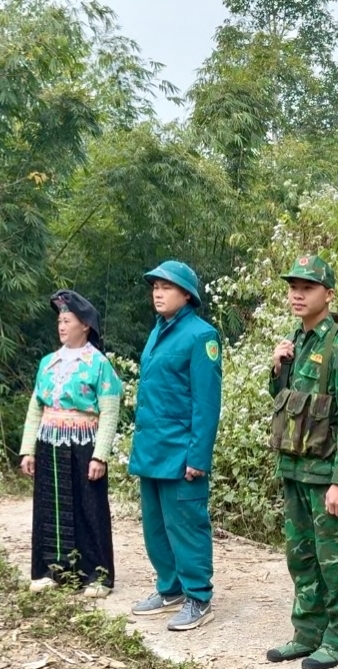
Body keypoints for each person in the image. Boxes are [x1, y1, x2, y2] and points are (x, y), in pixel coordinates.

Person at [264, 255, 338, 669]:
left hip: (326, 476)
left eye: (307, 286)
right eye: (293, 286)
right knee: (301, 556)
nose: (297, 293)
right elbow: (284, 402)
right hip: (294, 469)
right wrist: (277, 367)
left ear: (329, 293)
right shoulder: (295, 341)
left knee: (335, 559)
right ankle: (307, 633)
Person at [127, 260, 223, 631]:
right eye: (154, 286)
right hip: (151, 450)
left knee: (187, 526)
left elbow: (206, 403)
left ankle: (198, 597)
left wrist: (198, 456)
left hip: (182, 453)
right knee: (155, 527)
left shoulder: (201, 336)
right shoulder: (156, 333)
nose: (157, 292)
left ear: (187, 295)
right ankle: (171, 589)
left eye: (166, 287)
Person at [18, 289, 123, 598]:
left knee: (89, 508)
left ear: (85, 325)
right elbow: (35, 406)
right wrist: (27, 449)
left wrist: (100, 455)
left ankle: (97, 576)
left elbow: (110, 409)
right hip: (49, 443)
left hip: (83, 445)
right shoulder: (48, 363)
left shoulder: (98, 364)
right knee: (50, 506)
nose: (61, 326)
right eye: (60, 320)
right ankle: (51, 570)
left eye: (68, 320)